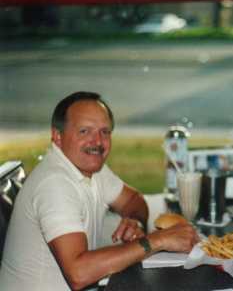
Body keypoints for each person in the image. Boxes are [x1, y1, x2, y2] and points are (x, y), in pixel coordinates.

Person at [0, 91, 198, 290]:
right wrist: (158, 240)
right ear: (57, 136)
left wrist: (134, 222)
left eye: (104, 132)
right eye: (84, 131)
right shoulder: (54, 184)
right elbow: (79, 273)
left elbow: (134, 201)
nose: (97, 142)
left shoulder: (90, 166)